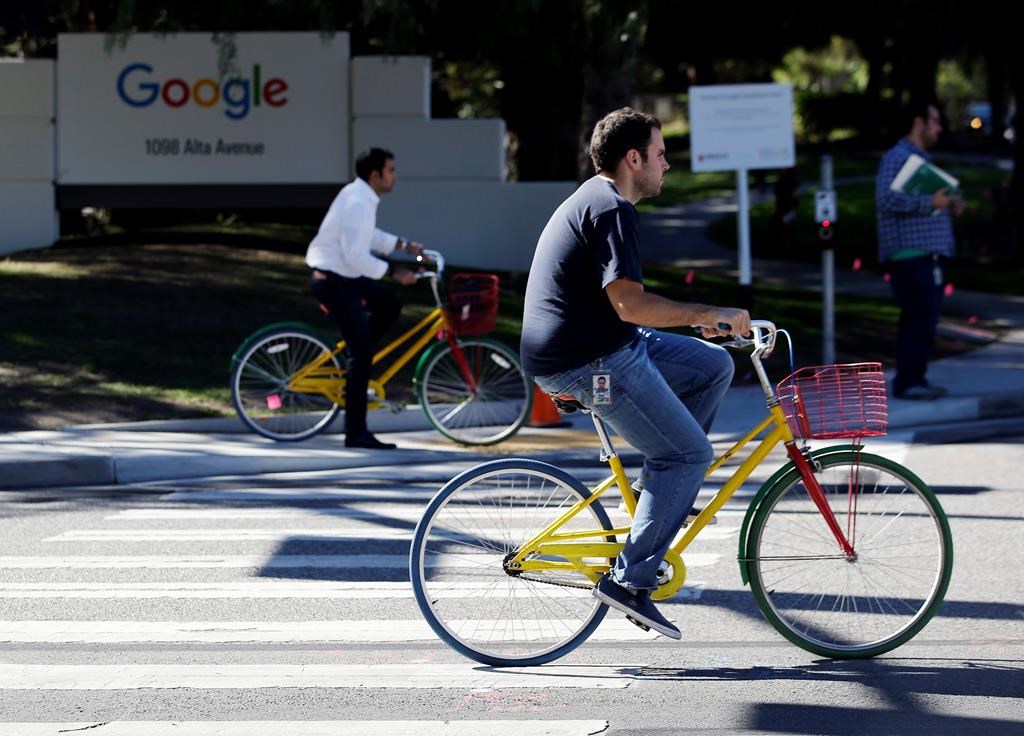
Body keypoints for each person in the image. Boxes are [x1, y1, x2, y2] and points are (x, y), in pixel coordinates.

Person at [520, 107, 750, 639]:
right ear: (633, 158)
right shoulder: (611, 209)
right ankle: (630, 580)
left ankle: (664, 494)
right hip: (585, 360)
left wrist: (701, 326)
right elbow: (629, 304)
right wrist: (701, 314)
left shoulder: (601, 197)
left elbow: (622, 312)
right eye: (661, 154)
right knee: (689, 453)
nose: (667, 165)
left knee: (713, 364)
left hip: (599, 342)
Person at [305, 147, 424, 449]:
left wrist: (404, 245)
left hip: (343, 276)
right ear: (376, 175)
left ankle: (360, 350)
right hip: (333, 280)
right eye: (391, 170)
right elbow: (355, 255)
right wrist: (395, 271)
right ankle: (355, 433)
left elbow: (368, 236)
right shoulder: (358, 201)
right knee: (361, 355)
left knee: (390, 304)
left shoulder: (361, 196)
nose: (395, 176)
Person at [876, 99, 964, 401]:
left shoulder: (917, 158)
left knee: (925, 320)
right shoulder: (897, 157)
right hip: (911, 256)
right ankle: (908, 382)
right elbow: (886, 200)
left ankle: (916, 379)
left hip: (926, 254)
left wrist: (950, 202)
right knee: (918, 320)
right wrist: (930, 202)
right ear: (919, 123)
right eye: (935, 121)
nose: (939, 128)